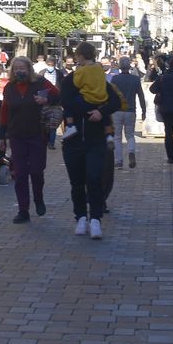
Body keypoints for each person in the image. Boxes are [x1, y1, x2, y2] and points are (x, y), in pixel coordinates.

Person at [59, 41, 117, 239]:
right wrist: (88, 110)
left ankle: (96, 219)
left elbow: (115, 101)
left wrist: (101, 112)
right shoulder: (71, 80)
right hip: (73, 141)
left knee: (94, 178)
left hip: (95, 140)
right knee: (76, 182)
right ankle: (81, 217)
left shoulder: (100, 81)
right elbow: (65, 99)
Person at [1, 56, 57, 222]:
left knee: (36, 171)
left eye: (22, 68)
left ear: (29, 69)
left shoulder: (40, 83)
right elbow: (4, 112)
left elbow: (58, 95)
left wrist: (46, 99)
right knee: (20, 174)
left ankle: (38, 198)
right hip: (17, 135)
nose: (19, 71)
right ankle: (23, 210)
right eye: (16, 68)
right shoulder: (10, 88)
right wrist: (1, 135)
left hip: (37, 134)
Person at [108, 57, 146, 168]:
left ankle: (119, 161)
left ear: (119, 65)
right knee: (130, 135)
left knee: (117, 137)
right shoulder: (135, 79)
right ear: (129, 66)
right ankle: (131, 151)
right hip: (131, 110)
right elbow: (141, 96)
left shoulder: (115, 79)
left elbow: (110, 96)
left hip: (117, 111)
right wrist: (143, 110)